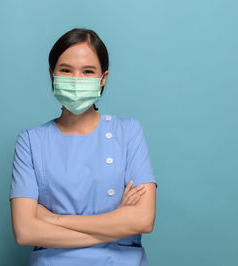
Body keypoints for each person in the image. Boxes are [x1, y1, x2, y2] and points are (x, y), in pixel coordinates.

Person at [9, 28, 158, 266]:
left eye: (88, 71)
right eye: (66, 70)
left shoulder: (128, 132)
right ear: (52, 75)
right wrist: (116, 221)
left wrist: (54, 219)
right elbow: (26, 231)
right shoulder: (30, 141)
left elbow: (142, 220)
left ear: (103, 78)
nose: (76, 80)